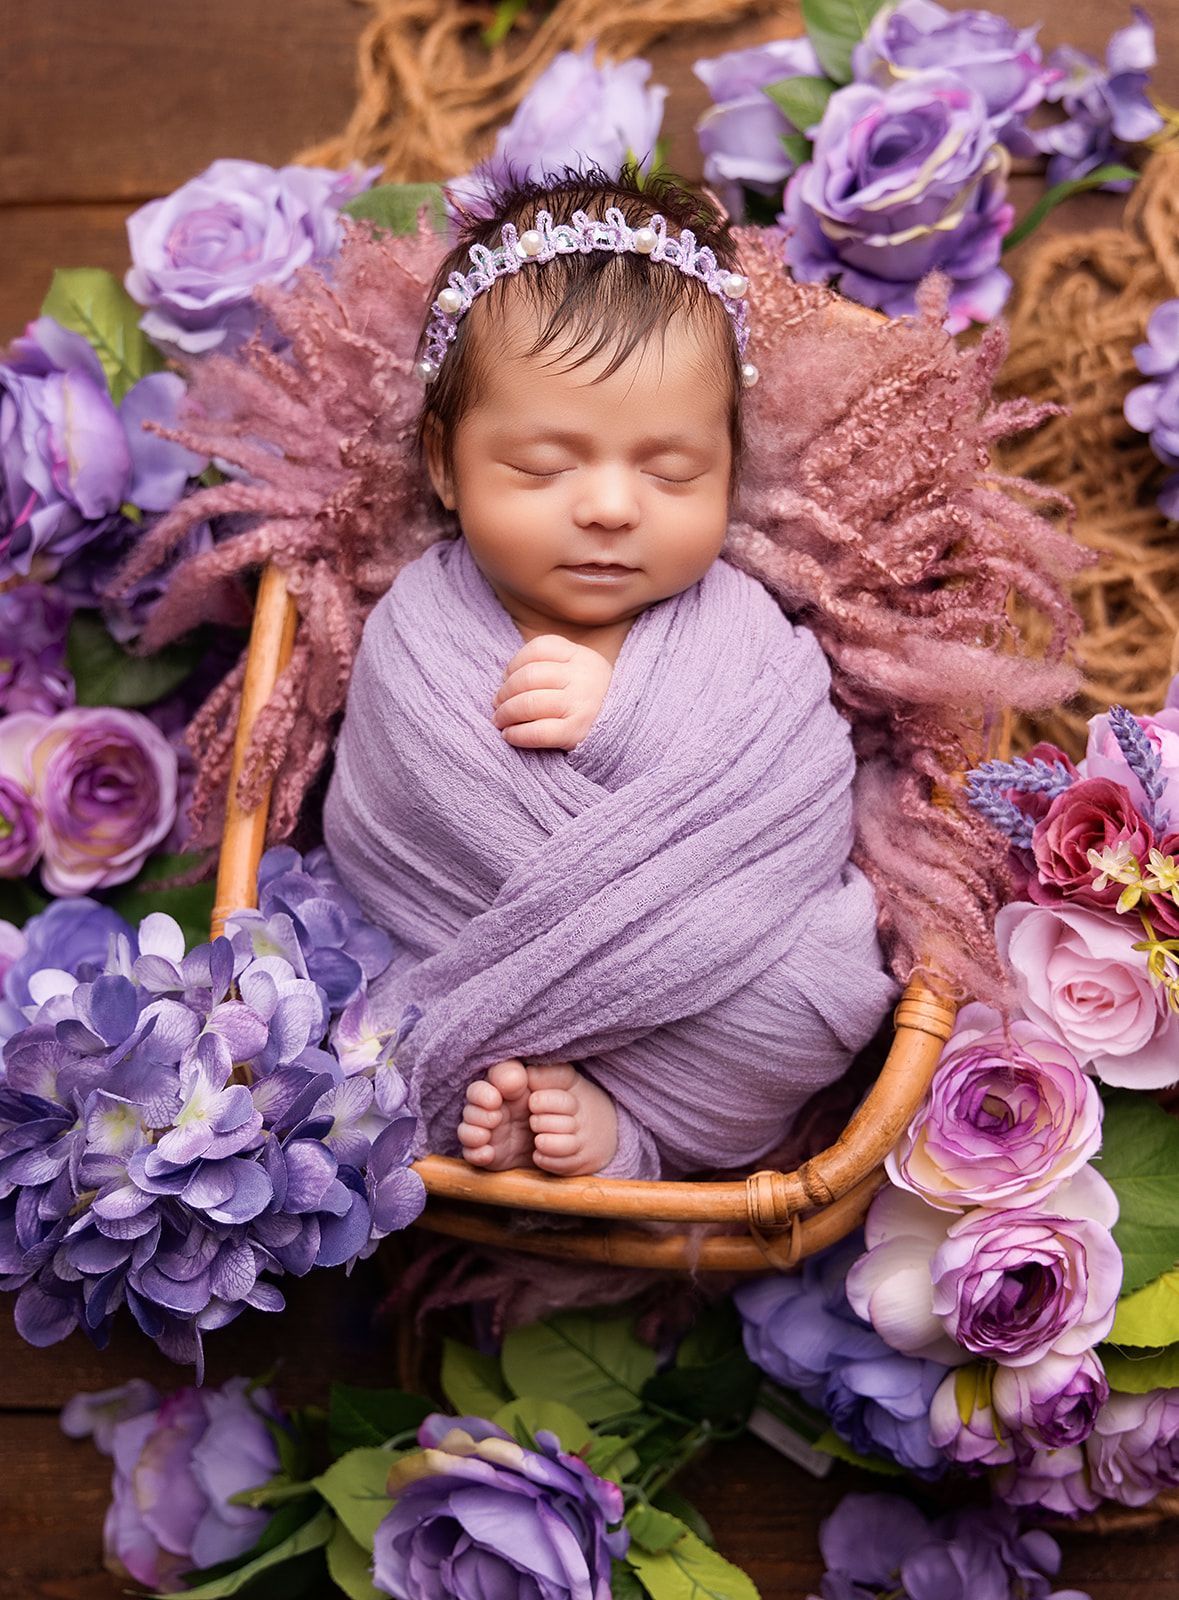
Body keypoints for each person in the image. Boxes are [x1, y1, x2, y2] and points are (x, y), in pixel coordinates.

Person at [321, 166, 898, 1181]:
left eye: (673, 471)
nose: (610, 507)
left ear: (728, 463)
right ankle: (601, 1141)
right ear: (446, 464)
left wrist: (630, 721)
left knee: (820, 992)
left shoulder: (741, 625)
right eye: (544, 467)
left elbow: (807, 785)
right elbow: (382, 819)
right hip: (473, 974)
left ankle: (623, 1130)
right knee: (369, 1006)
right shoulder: (417, 631)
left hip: (738, 1000)